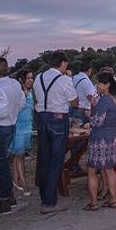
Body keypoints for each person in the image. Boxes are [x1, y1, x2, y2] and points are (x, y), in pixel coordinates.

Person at [33, 51, 79, 214]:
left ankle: (44, 197)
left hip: (41, 118)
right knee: (56, 160)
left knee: (44, 158)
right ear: (63, 64)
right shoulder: (64, 79)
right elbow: (74, 102)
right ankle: (50, 202)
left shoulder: (38, 78)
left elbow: (38, 99)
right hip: (58, 119)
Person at [0, 58, 26, 217]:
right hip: (11, 127)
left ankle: (5, 200)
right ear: (7, 69)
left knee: (0, 165)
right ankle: (10, 196)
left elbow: (0, 111)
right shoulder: (15, 84)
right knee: (5, 163)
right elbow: (21, 104)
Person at [84, 72, 116, 211]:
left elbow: (96, 121)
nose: (97, 86)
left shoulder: (104, 100)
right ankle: (113, 199)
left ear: (107, 85)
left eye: (100, 83)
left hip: (100, 138)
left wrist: (90, 112)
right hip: (112, 136)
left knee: (92, 170)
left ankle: (93, 202)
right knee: (110, 169)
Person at [10, 70, 35, 197]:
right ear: (22, 79)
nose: (31, 80)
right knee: (19, 155)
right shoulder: (19, 93)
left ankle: (15, 179)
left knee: (18, 155)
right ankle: (24, 184)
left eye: (32, 78)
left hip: (27, 126)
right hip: (19, 127)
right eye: (28, 78)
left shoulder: (30, 93)